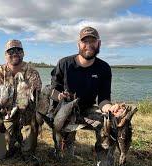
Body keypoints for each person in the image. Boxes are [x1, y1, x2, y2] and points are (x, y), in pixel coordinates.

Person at [50, 26, 125, 157]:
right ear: (79, 44)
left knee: (110, 120)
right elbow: (53, 90)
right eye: (85, 41)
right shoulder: (64, 64)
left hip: (87, 109)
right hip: (66, 112)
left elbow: (103, 99)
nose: (88, 45)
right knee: (64, 158)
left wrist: (110, 109)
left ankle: (102, 154)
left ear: (99, 43)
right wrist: (60, 97)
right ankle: (62, 147)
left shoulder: (104, 68)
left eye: (92, 41)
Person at [0, 39, 42, 166]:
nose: (15, 53)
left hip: (27, 118)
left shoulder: (32, 72)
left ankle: (26, 138)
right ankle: (13, 136)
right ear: (5, 55)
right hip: (7, 117)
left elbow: (37, 97)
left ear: (23, 53)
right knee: (1, 153)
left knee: (28, 152)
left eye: (18, 50)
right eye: (10, 51)